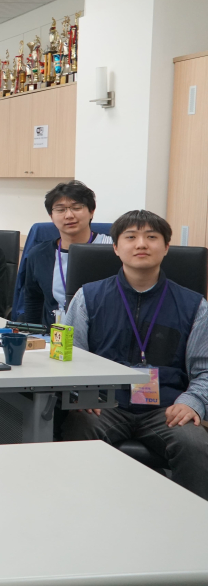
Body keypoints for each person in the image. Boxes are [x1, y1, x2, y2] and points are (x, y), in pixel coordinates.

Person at [62, 210, 208, 500]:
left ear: (166, 247)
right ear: (116, 247)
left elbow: (204, 369)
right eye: (131, 237)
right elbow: (69, 357)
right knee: (77, 431)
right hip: (104, 404)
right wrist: (81, 392)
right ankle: (76, 510)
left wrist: (192, 402)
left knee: (195, 444)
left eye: (151, 237)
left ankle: (193, 522)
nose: (141, 244)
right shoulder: (87, 297)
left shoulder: (194, 305)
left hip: (166, 408)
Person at [24, 181, 112, 327]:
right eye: (60, 210)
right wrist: (31, 334)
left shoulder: (112, 248)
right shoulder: (38, 254)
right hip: (55, 333)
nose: (69, 215)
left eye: (76, 208)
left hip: (104, 331)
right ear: (51, 216)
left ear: (91, 211)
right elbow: (33, 300)